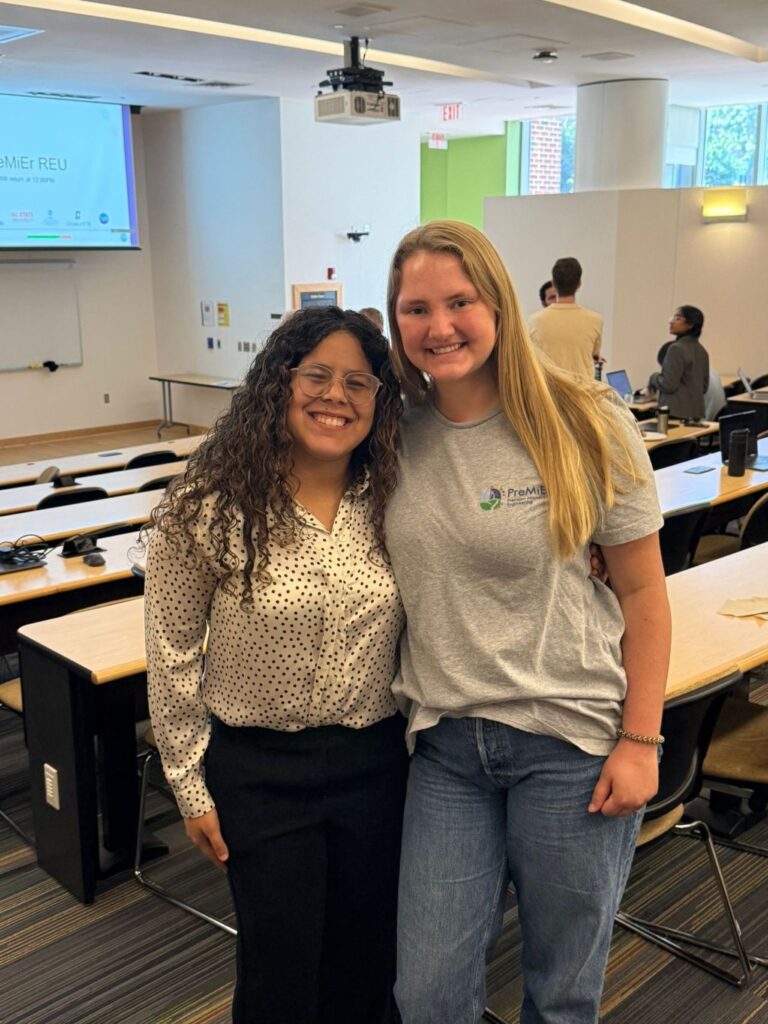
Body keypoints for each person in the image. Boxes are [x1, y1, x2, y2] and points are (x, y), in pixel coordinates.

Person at [385, 221, 671, 1024]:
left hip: (570, 742)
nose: (439, 326)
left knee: (560, 992)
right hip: (445, 745)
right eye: (416, 309)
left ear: (500, 305)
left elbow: (644, 595)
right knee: (427, 995)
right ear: (395, 321)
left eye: (459, 302)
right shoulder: (393, 434)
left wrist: (641, 741)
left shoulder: (585, 418)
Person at [143, 306, 407, 1024]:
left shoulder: (395, 498)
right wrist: (189, 787)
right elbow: (170, 655)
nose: (336, 396)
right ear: (278, 382)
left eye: (358, 382)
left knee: (367, 960)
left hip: (376, 763)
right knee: (280, 968)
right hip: (259, 773)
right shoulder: (207, 508)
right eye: (316, 375)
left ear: (379, 400)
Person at [528, 256, 603, 382]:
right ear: (579, 284)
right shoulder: (596, 320)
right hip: (583, 392)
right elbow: (594, 355)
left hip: (548, 392)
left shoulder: (535, 321)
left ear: (553, 283)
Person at [649, 305, 710, 420]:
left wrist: (654, 377)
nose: (671, 321)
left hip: (675, 414)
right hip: (695, 414)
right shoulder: (702, 351)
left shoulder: (676, 348)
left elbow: (668, 385)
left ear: (690, 324)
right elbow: (704, 387)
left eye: (677, 318)